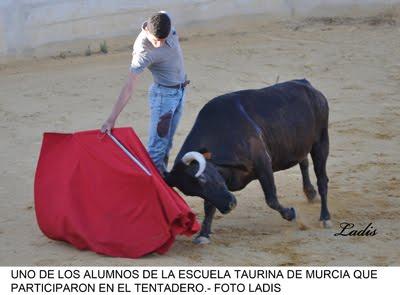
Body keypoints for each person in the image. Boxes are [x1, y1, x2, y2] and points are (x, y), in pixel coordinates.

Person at [101, 12, 189, 175]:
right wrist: (111, 119)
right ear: (147, 30)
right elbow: (129, 86)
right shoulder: (142, 51)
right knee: (157, 151)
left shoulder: (166, 21)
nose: (159, 44)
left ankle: (162, 183)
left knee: (167, 144)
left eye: (163, 40)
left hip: (181, 91)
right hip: (164, 98)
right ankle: (153, 193)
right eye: (156, 40)